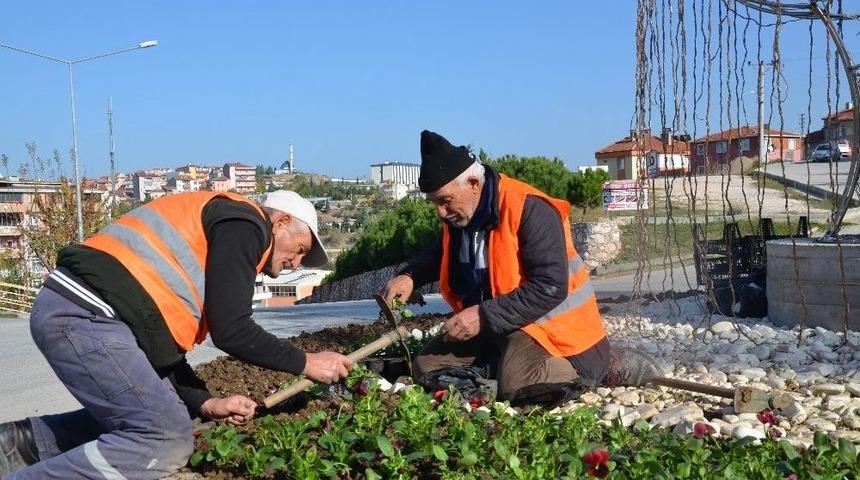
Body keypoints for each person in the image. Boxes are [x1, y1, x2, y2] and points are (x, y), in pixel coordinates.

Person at [0, 190, 354, 479]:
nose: (296, 263)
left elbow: (159, 348)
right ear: (281, 222)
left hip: (84, 311)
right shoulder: (246, 224)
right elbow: (232, 330)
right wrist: (307, 363)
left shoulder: (221, 232)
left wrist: (205, 403)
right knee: (164, 438)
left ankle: (22, 445)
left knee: (155, 414)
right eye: (300, 250)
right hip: (88, 314)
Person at [383, 130, 659, 404]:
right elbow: (441, 254)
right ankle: (498, 372)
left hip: (546, 328)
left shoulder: (530, 209)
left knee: (519, 385)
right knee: (426, 366)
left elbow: (549, 287)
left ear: (473, 184)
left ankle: (604, 368)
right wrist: (409, 276)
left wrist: (483, 315)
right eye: (435, 203)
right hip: (496, 324)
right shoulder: (460, 215)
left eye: (445, 201)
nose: (441, 212)